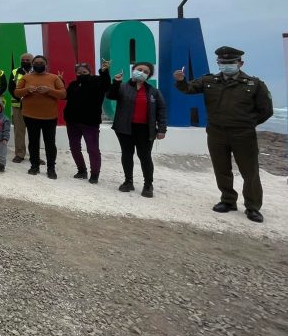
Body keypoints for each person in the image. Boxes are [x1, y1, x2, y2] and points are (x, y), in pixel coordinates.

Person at [175, 46, 273, 223]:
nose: (226, 65)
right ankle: (228, 200)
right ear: (218, 63)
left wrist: (248, 123)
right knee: (222, 169)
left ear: (240, 63)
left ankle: (252, 207)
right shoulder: (209, 81)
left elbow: (266, 110)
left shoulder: (254, 84)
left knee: (249, 172)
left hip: (243, 135)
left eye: (231, 62)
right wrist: (181, 80)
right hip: (216, 133)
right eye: (223, 63)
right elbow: (188, 89)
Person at [107, 62, 167, 197]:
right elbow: (110, 95)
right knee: (127, 154)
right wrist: (116, 82)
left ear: (149, 76)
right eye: (139, 69)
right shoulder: (122, 87)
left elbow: (161, 110)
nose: (142, 72)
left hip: (146, 130)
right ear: (133, 70)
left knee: (145, 156)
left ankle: (148, 185)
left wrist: (162, 129)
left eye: (146, 72)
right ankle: (128, 182)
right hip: (124, 128)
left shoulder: (153, 91)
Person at [13, 55, 66, 179]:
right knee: (33, 142)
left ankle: (51, 168)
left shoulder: (54, 78)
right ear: (32, 64)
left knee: (50, 144)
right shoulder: (26, 78)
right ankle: (34, 166)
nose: (38, 64)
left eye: (41, 62)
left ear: (46, 64)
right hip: (30, 115)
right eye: (36, 62)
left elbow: (63, 94)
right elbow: (16, 92)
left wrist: (49, 91)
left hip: (49, 116)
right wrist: (27, 90)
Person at [63, 60, 111, 183]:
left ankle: (94, 174)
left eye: (85, 71)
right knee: (74, 148)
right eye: (79, 72)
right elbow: (65, 96)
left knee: (93, 149)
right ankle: (81, 170)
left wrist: (104, 72)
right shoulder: (73, 84)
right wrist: (60, 81)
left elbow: (106, 85)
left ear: (90, 72)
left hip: (90, 123)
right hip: (72, 122)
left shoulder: (97, 81)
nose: (82, 74)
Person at [8, 53, 37, 164]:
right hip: (18, 105)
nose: (25, 61)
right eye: (23, 60)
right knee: (19, 131)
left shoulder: (38, 72)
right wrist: (20, 97)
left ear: (32, 61)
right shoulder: (15, 72)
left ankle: (35, 155)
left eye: (27, 60)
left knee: (34, 132)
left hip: (34, 106)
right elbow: (11, 88)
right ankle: (19, 154)